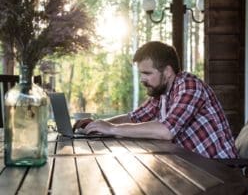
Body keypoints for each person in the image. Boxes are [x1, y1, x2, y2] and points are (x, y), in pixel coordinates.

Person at [74, 41, 238, 159]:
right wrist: (98, 124)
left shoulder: (189, 86)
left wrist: (111, 129)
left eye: (147, 73)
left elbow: (166, 131)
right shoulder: (162, 94)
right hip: (193, 167)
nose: (142, 79)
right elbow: (133, 118)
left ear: (167, 71)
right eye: (141, 74)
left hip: (221, 171)